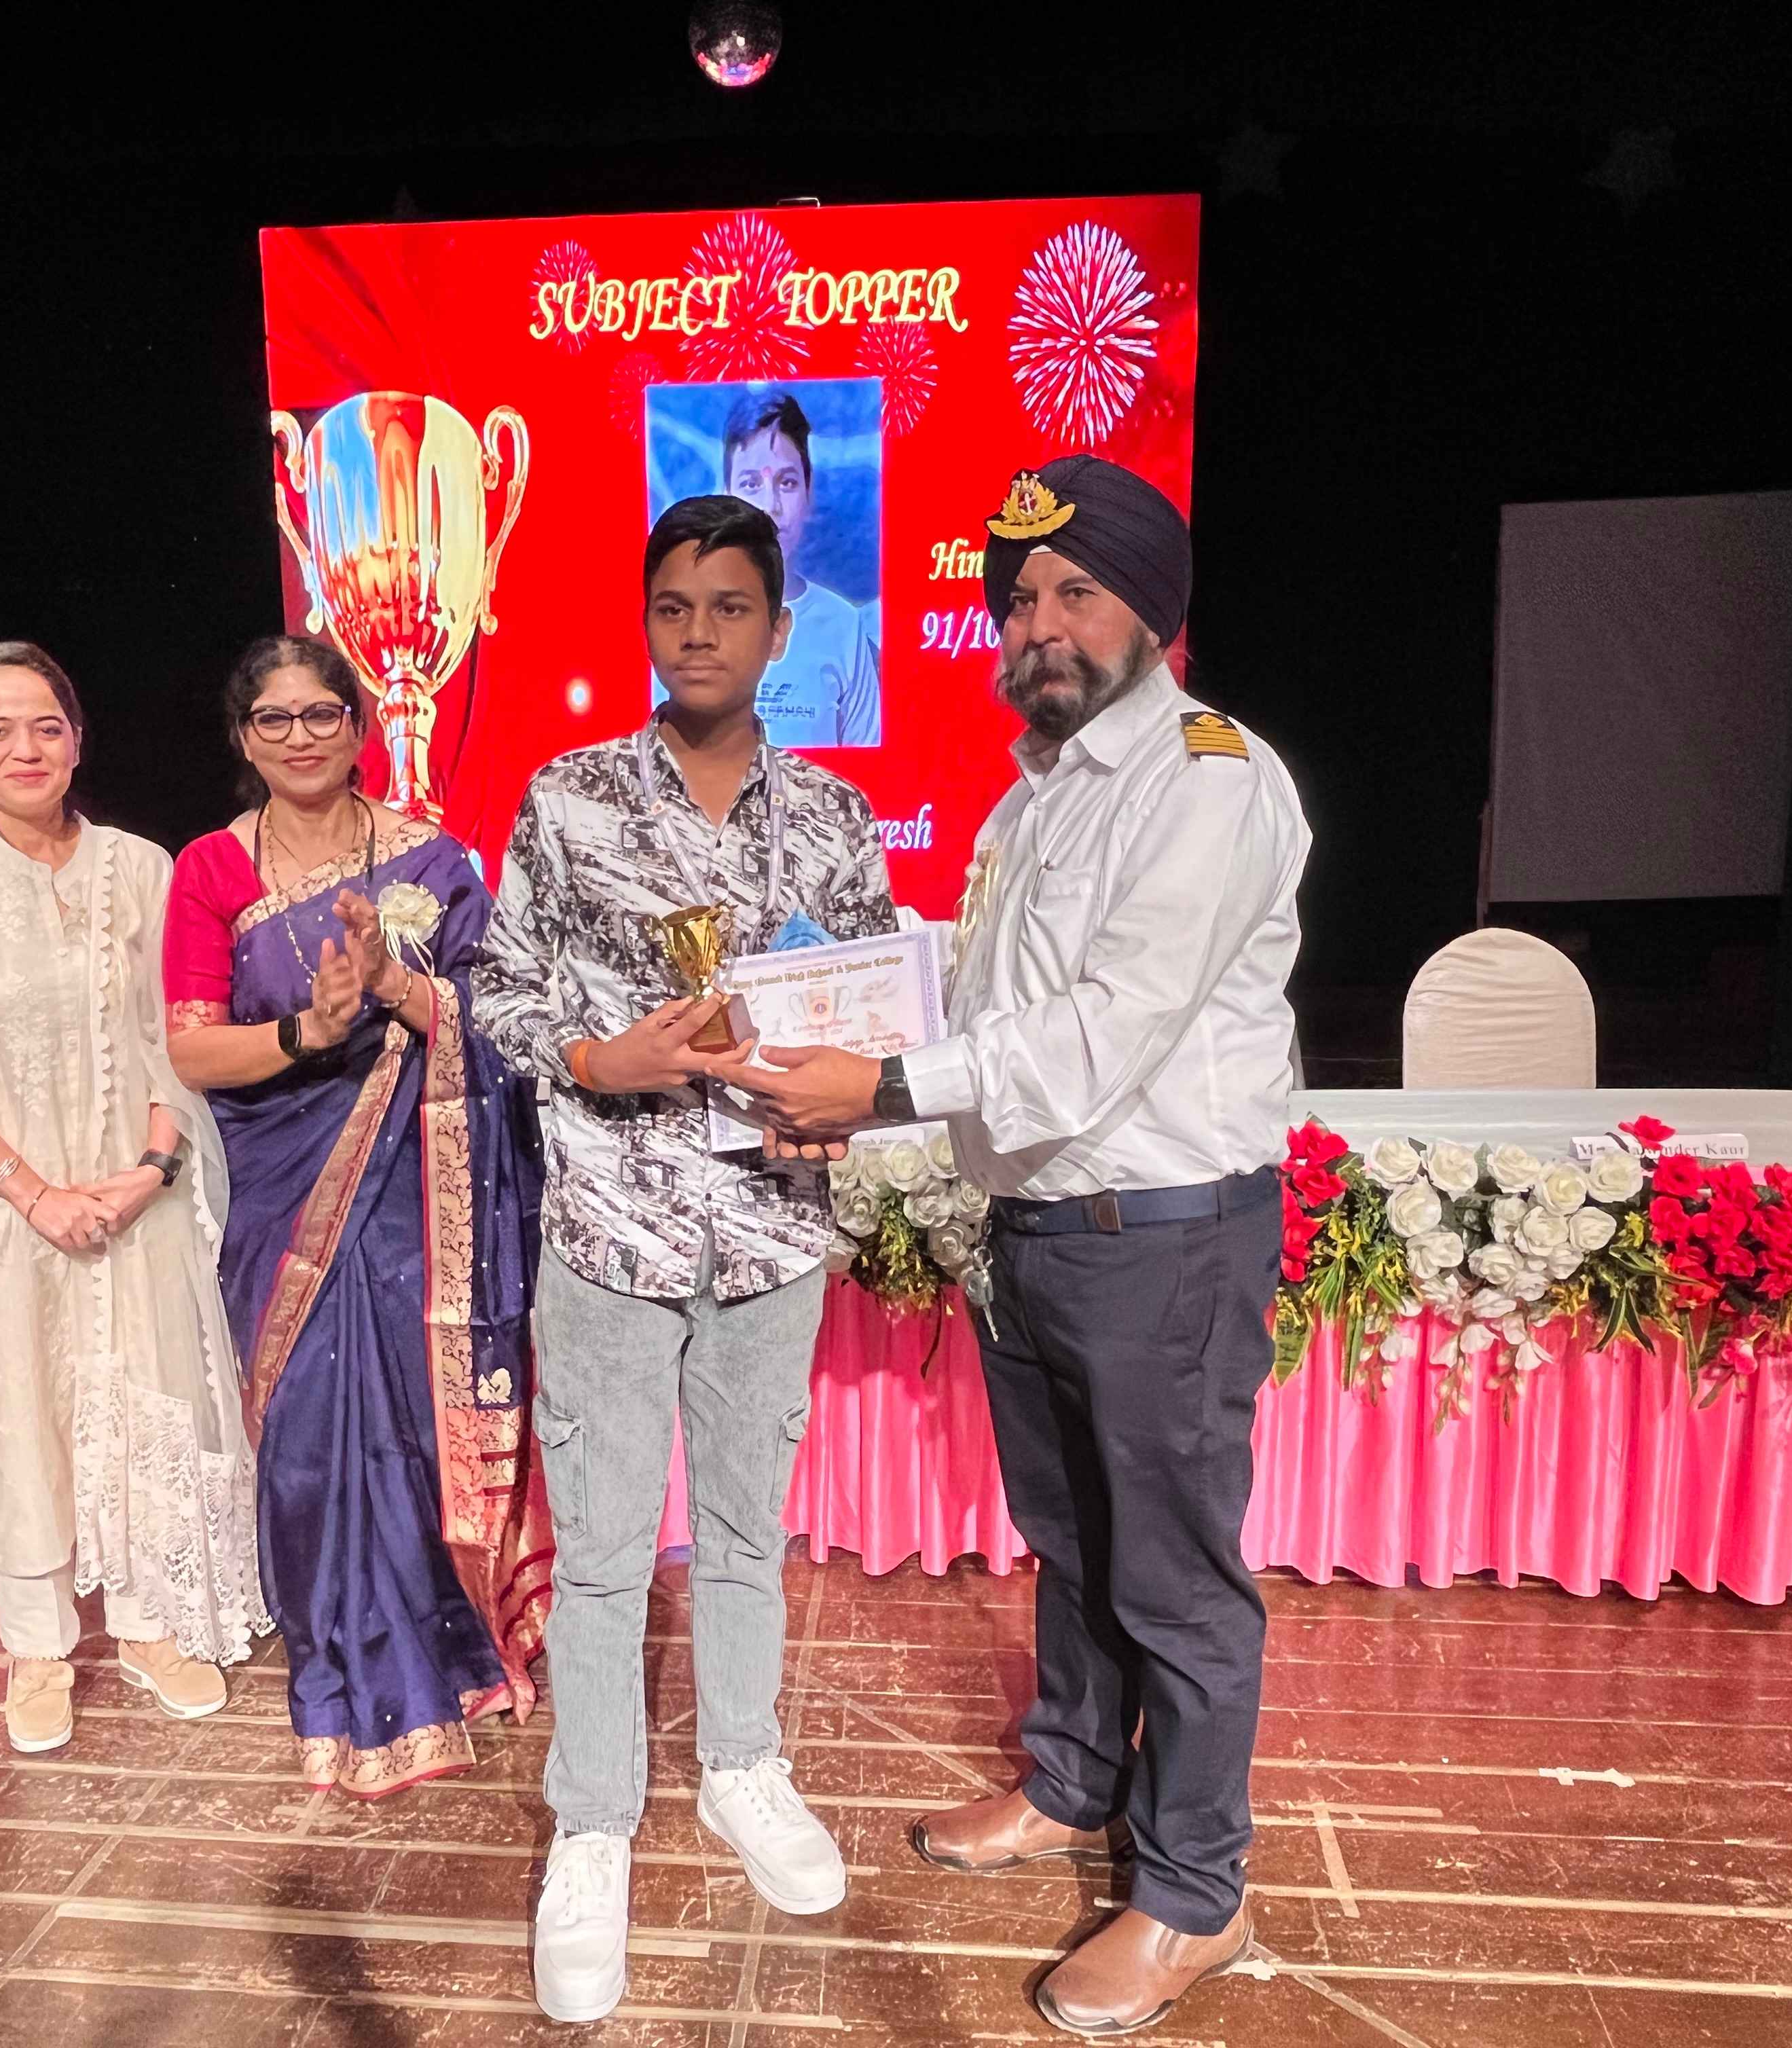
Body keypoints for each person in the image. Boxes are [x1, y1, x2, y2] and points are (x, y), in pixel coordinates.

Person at [732, 455, 1312, 2038]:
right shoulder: (1035, 792)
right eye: (1019, 599)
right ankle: (1070, 1781)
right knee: (1074, 1541)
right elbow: (977, 1002)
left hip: (1163, 1235)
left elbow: (1103, 1033)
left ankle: (1196, 1892)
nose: (1040, 624)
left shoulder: (1207, 780)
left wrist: (877, 1086)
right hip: (1043, 1228)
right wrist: (805, 1009)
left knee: (1175, 1581)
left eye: (1077, 592)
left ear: (1155, 611)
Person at [479, 494, 896, 2023]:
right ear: (646, 622)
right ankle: (594, 1820)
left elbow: (870, 1010)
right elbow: (499, 985)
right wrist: (598, 1057)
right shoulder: (570, 795)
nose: (698, 631)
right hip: (611, 1218)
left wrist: (844, 1101)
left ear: (780, 632)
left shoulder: (835, 818)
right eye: (673, 606)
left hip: (772, 1221)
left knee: (743, 1526)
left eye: (729, 606)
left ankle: (740, 1764)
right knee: (601, 1548)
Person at [162, 635, 552, 1797]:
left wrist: (392, 988)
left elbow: (505, 1019)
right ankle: (343, 1669)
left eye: (321, 713)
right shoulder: (210, 871)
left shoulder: (432, 858)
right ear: (244, 739)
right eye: (273, 718)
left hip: (415, 1194)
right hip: (285, 1194)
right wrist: (310, 1031)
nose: (300, 736)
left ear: (359, 724)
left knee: (415, 1421)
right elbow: (193, 1049)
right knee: (309, 1437)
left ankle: (452, 1650)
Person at [0, 641, 271, 1755]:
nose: (25, 749)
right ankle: (38, 1648)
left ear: (79, 740)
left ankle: (148, 1625)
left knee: (146, 1399)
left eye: (46, 726)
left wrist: (149, 1170)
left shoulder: (142, 869)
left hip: (135, 1200)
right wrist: (35, 1193)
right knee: (20, 1417)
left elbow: (178, 1035)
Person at [717, 390, 881, 748]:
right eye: (751, 484)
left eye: (787, 482)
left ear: (809, 492)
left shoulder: (843, 625)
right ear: (726, 494)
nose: (770, 506)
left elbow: (867, 766)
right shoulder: (688, 621)